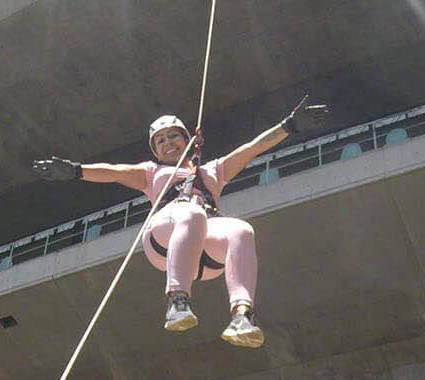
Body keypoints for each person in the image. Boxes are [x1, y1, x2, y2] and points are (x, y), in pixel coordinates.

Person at [33, 97, 327, 348]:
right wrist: (75, 171)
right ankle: (177, 301)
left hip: (205, 250)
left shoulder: (213, 171)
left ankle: (242, 316)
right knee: (190, 213)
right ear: (155, 150)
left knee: (240, 230)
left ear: (188, 140)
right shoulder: (150, 173)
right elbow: (114, 171)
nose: (168, 143)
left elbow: (251, 149)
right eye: (160, 141)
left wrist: (288, 127)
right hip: (165, 239)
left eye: (174, 136)